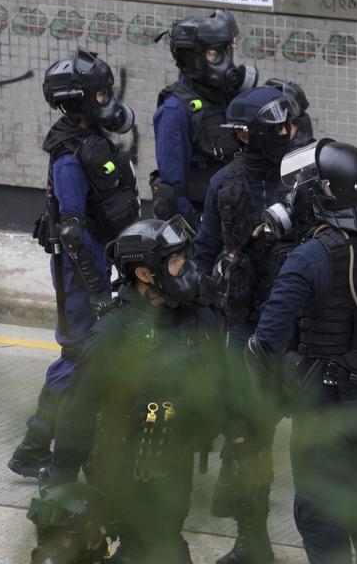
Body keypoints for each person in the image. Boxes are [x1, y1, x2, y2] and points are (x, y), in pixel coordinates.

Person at [249, 139, 357, 564]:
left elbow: (266, 339)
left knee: (321, 514)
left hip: (322, 407)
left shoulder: (311, 257)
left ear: (323, 193)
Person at [40, 216, 223, 564]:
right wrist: (61, 483)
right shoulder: (112, 334)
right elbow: (78, 408)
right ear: (144, 274)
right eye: (174, 261)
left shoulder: (196, 318)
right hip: (124, 466)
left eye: (184, 256)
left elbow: (222, 380)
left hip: (176, 460)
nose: (185, 268)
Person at [8, 49, 140, 479]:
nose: (108, 100)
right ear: (81, 101)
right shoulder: (68, 157)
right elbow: (72, 231)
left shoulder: (92, 140)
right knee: (78, 355)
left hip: (102, 263)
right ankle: (33, 445)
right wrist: (99, 288)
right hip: (80, 273)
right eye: (101, 94)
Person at [191, 85, 299, 564]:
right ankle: (252, 539)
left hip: (302, 324)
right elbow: (204, 252)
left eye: (289, 126)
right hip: (241, 322)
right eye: (277, 129)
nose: (289, 134)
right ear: (247, 137)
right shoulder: (224, 185)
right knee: (245, 434)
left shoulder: (306, 178)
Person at [151, 10, 258, 227]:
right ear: (192, 59)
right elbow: (173, 191)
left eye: (228, 50)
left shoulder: (226, 97)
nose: (227, 61)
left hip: (238, 213)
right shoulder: (175, 111)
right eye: (214, 54)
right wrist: (200, 232)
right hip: (206, 224)